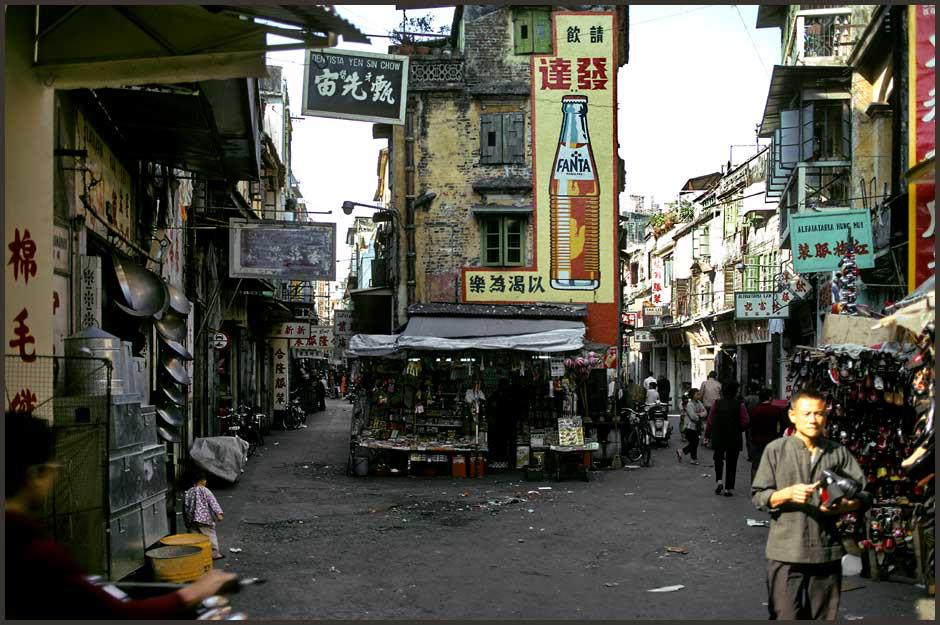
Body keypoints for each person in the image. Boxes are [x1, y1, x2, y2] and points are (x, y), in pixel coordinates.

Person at [6, 412, 237, 619]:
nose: (54, 479)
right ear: (34, 474)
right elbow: (120, 614)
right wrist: (195, 591)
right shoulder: (35, 551)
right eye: (51, 470)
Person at [751, 389, 868, 620]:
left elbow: (865, 494)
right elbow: (759, 497)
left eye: (819, 414)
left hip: (826, 553)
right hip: (786, 552)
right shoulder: (777, 450)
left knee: (823, 617)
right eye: (807, 414)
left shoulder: (838, 453)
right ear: (793, 416)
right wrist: (786, 494)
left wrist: (846, 506)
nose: (813, 419)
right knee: (784, 615)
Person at [704, 380, 749, 496]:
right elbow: (745, 422)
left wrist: (707, 435)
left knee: (718, 459)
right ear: (735, 391)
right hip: (734, 437)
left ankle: (719, 481)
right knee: (731, 462)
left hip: (719, 435)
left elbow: (710, 421)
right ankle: (728, 488)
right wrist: (737, 428)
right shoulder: (740, 405)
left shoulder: (717, 404)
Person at [183, 469, 225, 560]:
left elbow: (185, 507)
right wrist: (219, 514)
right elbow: (213, 503)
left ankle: (195, 553)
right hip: (205, 520)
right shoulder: (205, 491)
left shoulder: (189, 492)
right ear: (203, 481)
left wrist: (186, 520)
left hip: (191, 520)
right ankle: (214, 553)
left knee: (194, 537)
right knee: (210, 536)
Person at [748, 388, 787, 480]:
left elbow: (751, 427)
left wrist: (752, 440)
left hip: (757, 441)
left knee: (756, 465)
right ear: (770, 397)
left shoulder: (755, 410)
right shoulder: (776, 409)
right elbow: (782, 425)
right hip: (772, 440)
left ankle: (754, 485)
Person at [677, 388, 706, 464]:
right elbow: (693, 417)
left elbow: (705, 412)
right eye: (697, 394)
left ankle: (682, 452)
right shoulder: (689, 405)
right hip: (689, 427)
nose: (699, 395)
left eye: (699, 394)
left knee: (694, 443)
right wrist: (700, 414)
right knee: (694, 442)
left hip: (696, 427)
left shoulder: (699, 402)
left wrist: (699, 414)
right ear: (692, 395)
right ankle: (692, 458)